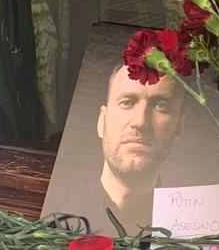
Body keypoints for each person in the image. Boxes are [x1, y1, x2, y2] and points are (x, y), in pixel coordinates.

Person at [52, 63, 187, 235]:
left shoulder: (190, 225)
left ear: (179, 126)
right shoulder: (53, 212)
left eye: (160, 105)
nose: (139, 122)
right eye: (127, 102)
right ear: (102, 121)